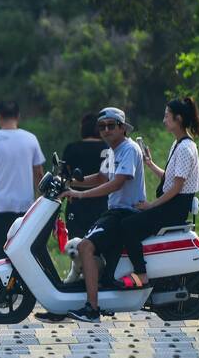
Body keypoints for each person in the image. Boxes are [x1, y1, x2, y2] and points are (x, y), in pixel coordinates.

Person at [56, 107, 145, 322]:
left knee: (85, 246)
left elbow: (116, 183)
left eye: (111, 126)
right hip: (114, 212)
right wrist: (69, 182)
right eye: (102, 127)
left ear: (122, 128)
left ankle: (92, 308)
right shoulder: (114, 150)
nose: (106, 130)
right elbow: (101, 177)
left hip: (124, 213)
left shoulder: (129, 149)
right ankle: (83, 299)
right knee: (89, 248)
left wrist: (80, 195)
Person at [120, 97, 199, 289]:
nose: (164, 120)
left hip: (174, 209)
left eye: (167, 116)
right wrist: (150, 164)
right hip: (171, 205)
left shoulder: (185, 147)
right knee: (129, 218)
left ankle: (141, 274)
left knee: (128, 226)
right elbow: (170, 178)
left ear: (179, 119)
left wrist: (151, 205)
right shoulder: (179, 144)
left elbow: (176, 188)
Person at [0, 101, 45, 260]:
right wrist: (40, 201)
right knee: (24, 250)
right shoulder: (30, 139)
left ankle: (3, 283)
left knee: (2, 252)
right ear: (18, 116)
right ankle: (23, 283)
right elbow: (39, 173)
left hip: (0, 205)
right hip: (25, 205)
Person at [60, 112, 108, 241]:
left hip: (76, 204)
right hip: (103, 203)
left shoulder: (71, 149)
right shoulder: (108, 148)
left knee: (76, 246)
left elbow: (64, 177)